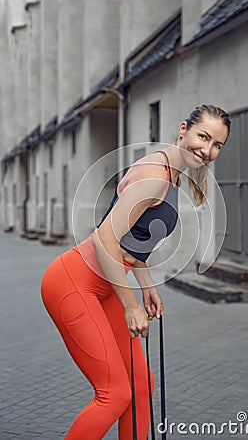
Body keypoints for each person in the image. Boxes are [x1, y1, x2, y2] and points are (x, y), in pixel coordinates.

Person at [41, 104, 231, 439]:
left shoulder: (171, 175)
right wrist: (131, 306)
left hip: (105, 286)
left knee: (141, 386)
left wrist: (146, 286)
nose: (208, 149)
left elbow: (133, 242)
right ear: (183, 129)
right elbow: (104, 241)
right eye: (203, 137)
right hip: (74, 282)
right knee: (114, 394)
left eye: (217, 144)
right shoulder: (156, 177)